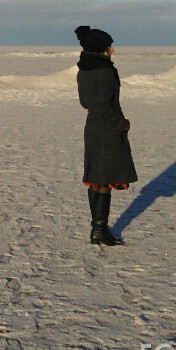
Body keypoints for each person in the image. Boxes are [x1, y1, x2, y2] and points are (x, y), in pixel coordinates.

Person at [75, 25, 137, 246]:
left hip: (92, 127)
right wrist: (122, 123)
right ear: (102, 48)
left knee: (97, 180)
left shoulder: (83, 70)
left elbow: (86, 103)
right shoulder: (106, 71)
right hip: (108, 129)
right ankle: (99, 230)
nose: (112, 50)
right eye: (110, 46)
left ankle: (98, 229)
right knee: (104, 179)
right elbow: (104, 106)